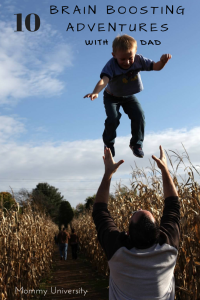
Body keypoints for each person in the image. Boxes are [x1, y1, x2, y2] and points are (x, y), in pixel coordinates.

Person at [92, 146, 180, 300]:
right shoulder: (167, 249)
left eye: (135, 213)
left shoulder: (118, 252)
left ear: (127, 234)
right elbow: (173, 206)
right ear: (158, 232)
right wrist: (165, 169)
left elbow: (100, 212)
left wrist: (108, 173)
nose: (139, 207)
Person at [84, 35, 171, 158]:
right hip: (112, 97)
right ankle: (108, 144)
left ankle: (136, 144)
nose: (127, 62)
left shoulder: (139, 60)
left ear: (135, 53)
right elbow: (104, 80)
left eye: (130, 58)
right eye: (122, 59)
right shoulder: (111, 65)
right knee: (113, 118)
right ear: (114, 55)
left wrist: (162, 62)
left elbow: (156, 67)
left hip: (128, 96)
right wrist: (95, 92)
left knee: (139, 115)